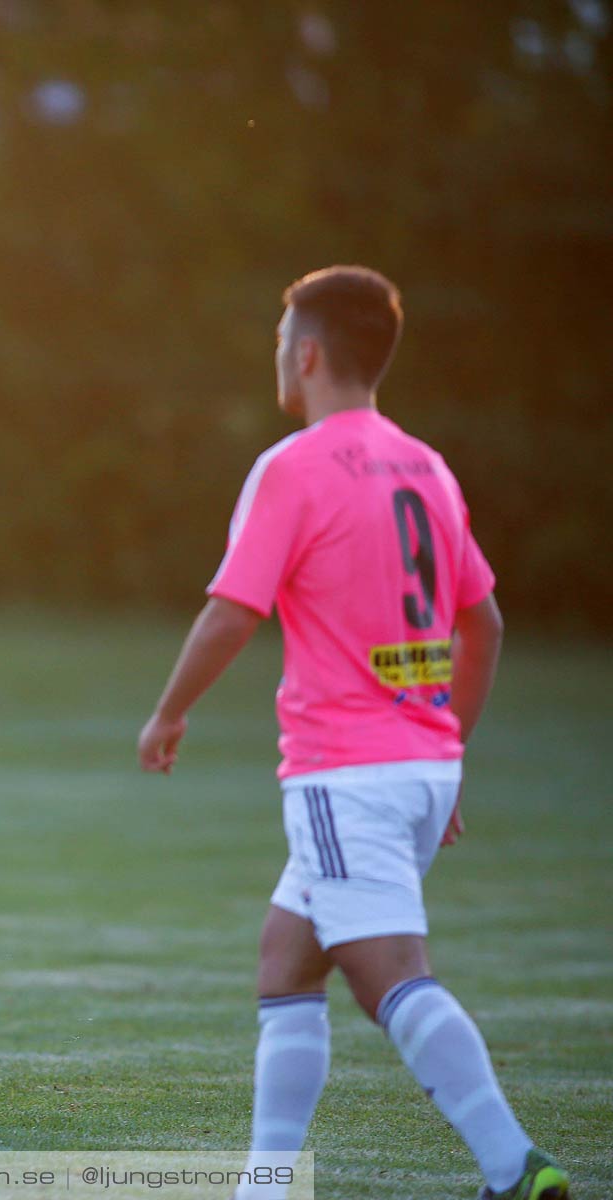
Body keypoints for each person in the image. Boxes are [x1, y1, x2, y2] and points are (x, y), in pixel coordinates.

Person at [136, 267, 569, 1200]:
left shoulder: (292, 467)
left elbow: (230, 613)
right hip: (419, 767)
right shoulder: (426, 464)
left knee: (388, 978)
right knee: (287, 960)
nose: (278, 356)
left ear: (309, 353)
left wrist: (170, 713)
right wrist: (445, 748)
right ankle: (266, 1183)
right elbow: (482, 624)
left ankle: (511, 1163)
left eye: (280, 339)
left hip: (346, 773)